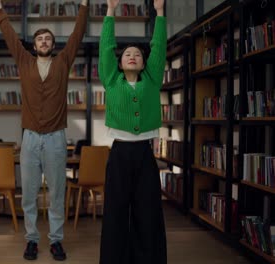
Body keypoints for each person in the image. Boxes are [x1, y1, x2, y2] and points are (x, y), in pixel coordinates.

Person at [0, 0, 89, 261]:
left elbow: (78, 33)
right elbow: (11, 36)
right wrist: (0, 9)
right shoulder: (24, 61)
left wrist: (83, 5)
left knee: (57, 194)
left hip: (57, 137)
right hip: (30, 138)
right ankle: (32, 241)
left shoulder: (63, 62)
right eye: (40, 39)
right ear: (34, 46)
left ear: (53, 45)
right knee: (30, 195)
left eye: (48, 39)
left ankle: (56, 241)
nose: (44, 42)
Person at [98, 0, 167, 263]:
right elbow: (106, 47)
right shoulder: (111, 79)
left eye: (138, 54)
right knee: (116, 212)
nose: (132, 56)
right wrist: (110, 11)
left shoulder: (152, 79)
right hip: (119, 154)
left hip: (144, 155)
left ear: (143, 62)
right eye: (127, 53)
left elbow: (158, 48)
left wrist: (159, 12)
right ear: (120, 61)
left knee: (147, 212)